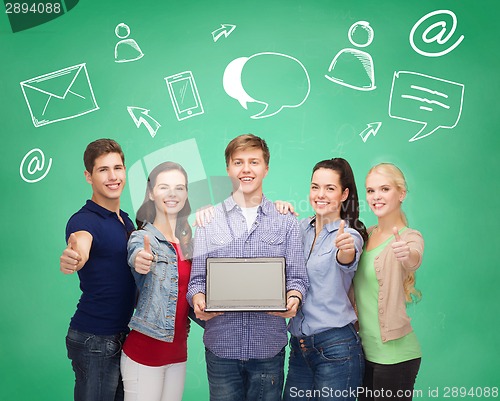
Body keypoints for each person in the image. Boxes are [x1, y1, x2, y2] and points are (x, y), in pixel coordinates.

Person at [187, 133, 309, 401]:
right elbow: (197, 280)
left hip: (268, 347)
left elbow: (297, 277)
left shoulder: (284, 220)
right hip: (221, 347)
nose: (246, 169)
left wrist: (293, 297)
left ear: (266, 168)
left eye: (254, 162)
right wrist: (197, 299)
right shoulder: (209, 220)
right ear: (228, 169)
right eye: (238, 162)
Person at [276, 158, 367, 401]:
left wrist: (345, 250)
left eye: (330, 188)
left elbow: (347, 257)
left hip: (337, 348)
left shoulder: (349, 235)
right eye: (315, 187)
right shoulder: (299, 228)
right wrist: (277, 209)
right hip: (299, 348)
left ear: (344, 194)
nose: (320, 194)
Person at [59, 139, 137, 401]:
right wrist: (74, 257)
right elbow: (80, 244)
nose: (113, 176)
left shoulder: (124, 219)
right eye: (103, 170)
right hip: (95, 339)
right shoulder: (84, 220)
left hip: (121, 335)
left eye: (118, 168)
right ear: (88, 176)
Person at [120, 161, 193, 401]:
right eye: (164, 187)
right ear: (151, 193)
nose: (172, 194)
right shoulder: (142, 238)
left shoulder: (187, 244)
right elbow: (137, 254)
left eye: (179, 188)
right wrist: (141, 260)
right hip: (144, 355)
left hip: (177, 355)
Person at [354, 163, 424, 401]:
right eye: (371, 191)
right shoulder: (366, 234)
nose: (376, 197)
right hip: (365, 353)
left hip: (397, 357)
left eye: (384, 189)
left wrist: (407, 255)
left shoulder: (409, 237)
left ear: (401, 193)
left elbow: (414, 258)